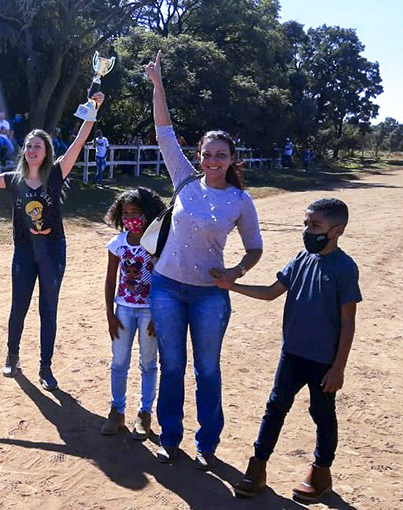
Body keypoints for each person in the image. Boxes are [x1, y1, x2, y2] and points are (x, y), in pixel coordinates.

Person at [0, 92, 106, 391]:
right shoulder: (14, 180)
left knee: (48, 309)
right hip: (24, 251)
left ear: (46, 152)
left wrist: (94, 109)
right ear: (24, 151)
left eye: (38, 146)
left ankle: (46, 367)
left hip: (53, 250)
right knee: (19, 307)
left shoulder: (56, 174)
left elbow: (78, 142)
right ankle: (12, 356)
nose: (32, 150)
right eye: (29, 146)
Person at [145, 50, 263, 469]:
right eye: (207, 154)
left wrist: (237, 272)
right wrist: (158, 85)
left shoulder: (240, 200)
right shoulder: (184, 179)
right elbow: (164, 133)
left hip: (211, 294)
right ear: (199, 156)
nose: (213, 161)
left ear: (232, 159)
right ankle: (169, 437)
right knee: (172, 366)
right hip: (167, 287)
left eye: (221, 155)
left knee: (208, 370)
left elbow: (254, 247)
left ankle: (207, 442)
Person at [224, 198, 361, 502]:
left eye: (315, 225)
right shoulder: (301, 259)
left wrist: (338, 368)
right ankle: (257, 468)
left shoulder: (344, 268)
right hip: (292, 354)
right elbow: (271, 292)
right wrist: (231, 285)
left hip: (323, 361)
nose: (307, 231)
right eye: (306, 224)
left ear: (337, 230)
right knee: (275, 408)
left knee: (322, 414)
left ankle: (321, 473)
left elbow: (348, 322)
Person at [100, 187, 166, 439]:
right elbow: (110, 280)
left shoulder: (156, 243)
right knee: (119, 362)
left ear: (148, 213)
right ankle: (116, 410)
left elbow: (163, 279)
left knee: (148, 363)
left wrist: (159, 314)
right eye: (125, 213)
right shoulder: (118, 244)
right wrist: (110, 314)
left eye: (135, 212)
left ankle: (145, 412)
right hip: (123, 311)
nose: (130, 218)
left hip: (150, 311)